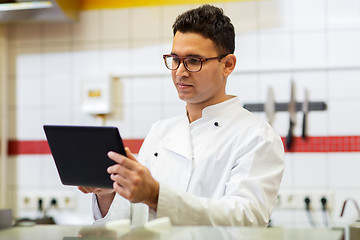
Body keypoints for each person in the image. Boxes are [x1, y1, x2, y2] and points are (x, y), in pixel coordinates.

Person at [78, 4, 284, 226]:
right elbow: (128, 220)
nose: (180, 72)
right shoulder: (160, 131)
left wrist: (156, 195)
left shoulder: (256, 136)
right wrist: (106, 194)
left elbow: (246, 219)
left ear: (227, 65)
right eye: (175, 59)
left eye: (194, 61)